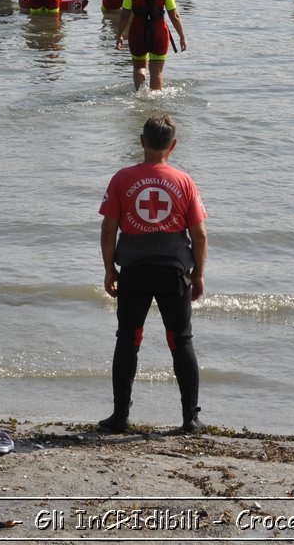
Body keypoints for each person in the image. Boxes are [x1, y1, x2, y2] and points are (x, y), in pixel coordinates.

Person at [98, 114, 207, 434]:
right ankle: (191, 418)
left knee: (128, 340)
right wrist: (198, 274)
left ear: (141, 142)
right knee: (181, 341)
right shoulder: (183, 180)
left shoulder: (122, 178)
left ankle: (120, 416)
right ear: (173, 145)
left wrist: (109, 269)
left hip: (134, 271)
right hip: (173, 272)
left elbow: (108, 229)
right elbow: (199, 235)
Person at [115, 0, 187, 91]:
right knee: (156, 72)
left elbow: (124, 14)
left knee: (139, 68)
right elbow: (175, 16)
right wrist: (182, 37)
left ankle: (141, 96)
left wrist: (119, 35)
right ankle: (155, 106)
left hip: (137, 32)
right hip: (159, 33)